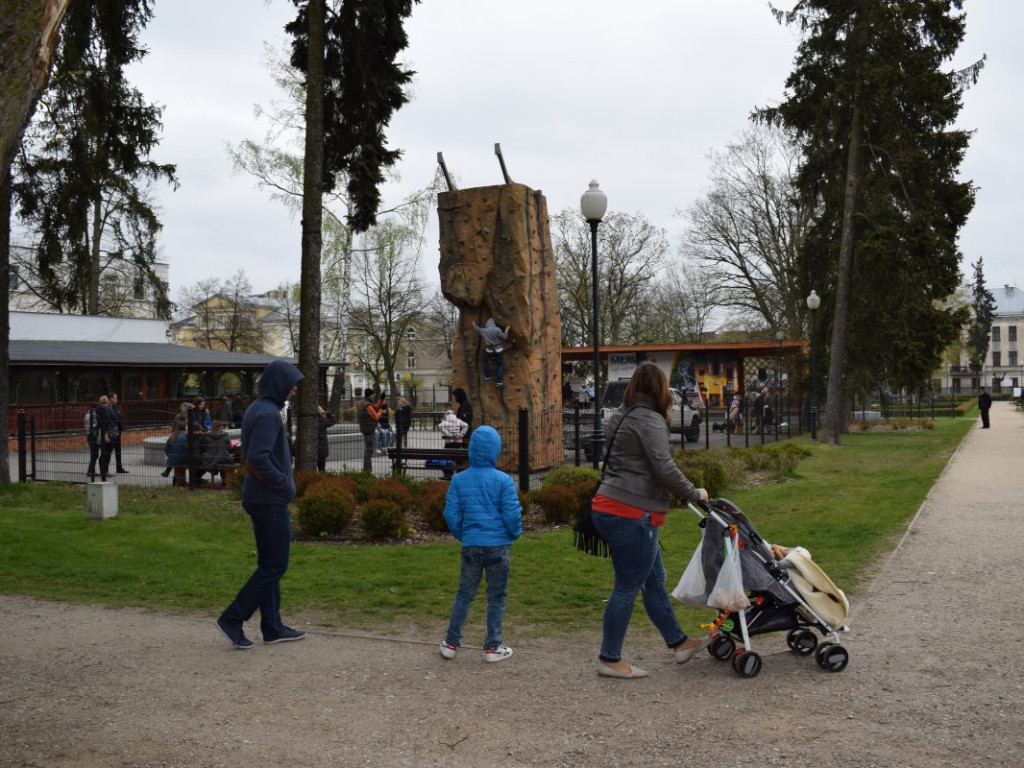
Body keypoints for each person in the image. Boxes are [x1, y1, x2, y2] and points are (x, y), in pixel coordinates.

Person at [590, 362, 710, 679]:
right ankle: (609, 658)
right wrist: (695, 493)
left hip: (609, 505)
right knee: (627, 586)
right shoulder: (650, 420)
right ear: (660, 389)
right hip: (631, 512)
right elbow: (664, 468)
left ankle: (680, 643)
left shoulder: (621, 416)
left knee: (654, 579)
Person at [217, 359, 306, 650]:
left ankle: (272, 627)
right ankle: (233, 617)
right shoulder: (268, 413)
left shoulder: (259, 408)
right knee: (275, 565)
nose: (293, 389)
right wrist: (283, 483)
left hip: (259, 498)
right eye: (291, 383)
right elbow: (257, 458)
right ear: (278, 383)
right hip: (268, 500)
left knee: (269, 564)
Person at [439, 426, 522, 663]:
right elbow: (512, 514)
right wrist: (513, 533)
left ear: (471, 449)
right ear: (495, 450)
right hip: (498, 547)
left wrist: (463, 534)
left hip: (471, 545)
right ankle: (492, 646)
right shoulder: (504, 481)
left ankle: (451, 643)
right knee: (496, 597)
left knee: (464, 594)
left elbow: (451, 514)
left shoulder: (459, 480)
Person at [473, 318, 511, 388]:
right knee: (500, 365)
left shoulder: (484, 330)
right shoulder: (497, 330)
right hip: (498, 350)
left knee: (484, 361)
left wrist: (474, 325)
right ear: (494, 324)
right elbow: (505, 337)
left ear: (487, 324)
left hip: (489, 350)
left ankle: (487, 376)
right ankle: (499, 382)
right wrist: (507, 329)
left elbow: (477, 329)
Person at [357, 388, 384, 473]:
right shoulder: (367, 405)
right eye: (373, 394)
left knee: (368, 449)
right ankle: (367, 469)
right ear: (370, 395)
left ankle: (367, 469)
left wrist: (381, 399)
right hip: (369, 429)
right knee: (369, 450)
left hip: (365, 428)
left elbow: (375, 407)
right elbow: (375, 416)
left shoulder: (363, 402)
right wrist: (381, 412)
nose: (374, 395)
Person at [108, 392, 129, 473]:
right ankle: (105, 470)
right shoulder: (109, 407)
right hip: (112, 432)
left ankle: (119, 468)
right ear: (111, 399)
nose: (116, 400)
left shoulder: (115, 407)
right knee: (108, 451)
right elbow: (112, 420)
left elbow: (118, 417)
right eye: (115, 398)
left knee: (118, 450)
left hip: (118, 432)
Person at [316, 405, 335, 472]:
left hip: (313, 448)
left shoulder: (311, 420)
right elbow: (333, 421)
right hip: (321, 448)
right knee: (321, 469)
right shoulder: (321, 420)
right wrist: (328, 414)